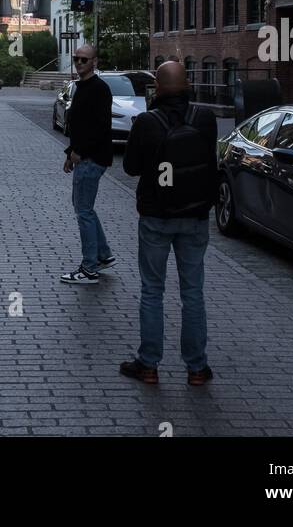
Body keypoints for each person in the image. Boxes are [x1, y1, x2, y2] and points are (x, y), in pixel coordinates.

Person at [119, 59, 218, 386]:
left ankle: (148, 364)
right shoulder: (204, 118)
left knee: (152, 290)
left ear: (157, 88)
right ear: (188, 84)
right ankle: (196, 368)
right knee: (193, 292)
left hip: (156, 217)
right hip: (194, 217)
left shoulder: (147, 122)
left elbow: (131, 168)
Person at [60, 45, 115, 285]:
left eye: (84, 59)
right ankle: (102, 256)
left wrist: (79, 152)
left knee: (83, 211)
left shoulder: (98, 89)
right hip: (84, 156)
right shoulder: (82, 87)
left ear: (94, 61)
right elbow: (79, 126)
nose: (79, 62)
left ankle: (89, 268)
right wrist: (70, 153)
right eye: (76, 58)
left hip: (92, 158)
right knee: (85, 208)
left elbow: (99, 127)